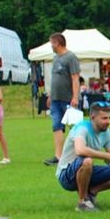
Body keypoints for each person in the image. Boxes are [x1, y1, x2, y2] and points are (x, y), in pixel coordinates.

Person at [55, 102, 110, 212]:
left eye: (109, 118)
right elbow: (80, 150)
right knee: (87, 161)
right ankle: (82, 202)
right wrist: (109, 156)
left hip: (87, 170)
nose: (108, 122)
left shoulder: (106, 132)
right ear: (93, 118)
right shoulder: (82, 128)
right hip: (66, 175)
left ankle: (92, 192)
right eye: (104, 118)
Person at [43, 33, 80, 166]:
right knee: (56, 126)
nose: (51, 46)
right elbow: (54, 79)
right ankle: (58, 156)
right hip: (56, 99)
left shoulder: (71, 57)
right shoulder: (55, 58)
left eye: (52, 43)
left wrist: (75, 97)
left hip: (68, 99)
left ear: (57, 43)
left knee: (74, 127)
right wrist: (50, 95)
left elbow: (75, 78)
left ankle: (78, 154)